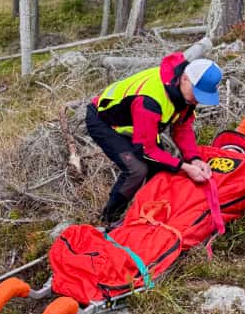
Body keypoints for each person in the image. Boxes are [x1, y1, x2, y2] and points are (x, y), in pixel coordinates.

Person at [86, 52, 223, 224]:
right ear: (186, 78)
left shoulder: (184, 94)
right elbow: (147, 150)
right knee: (137, 170)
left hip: (138, 125)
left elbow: (182, 128)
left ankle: (147, 215)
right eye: (197, 92)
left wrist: (194, 159)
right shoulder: (150, 101)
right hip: (104, 121)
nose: (198, 99)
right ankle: (109, 218)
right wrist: (184, 167)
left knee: (160, 170)